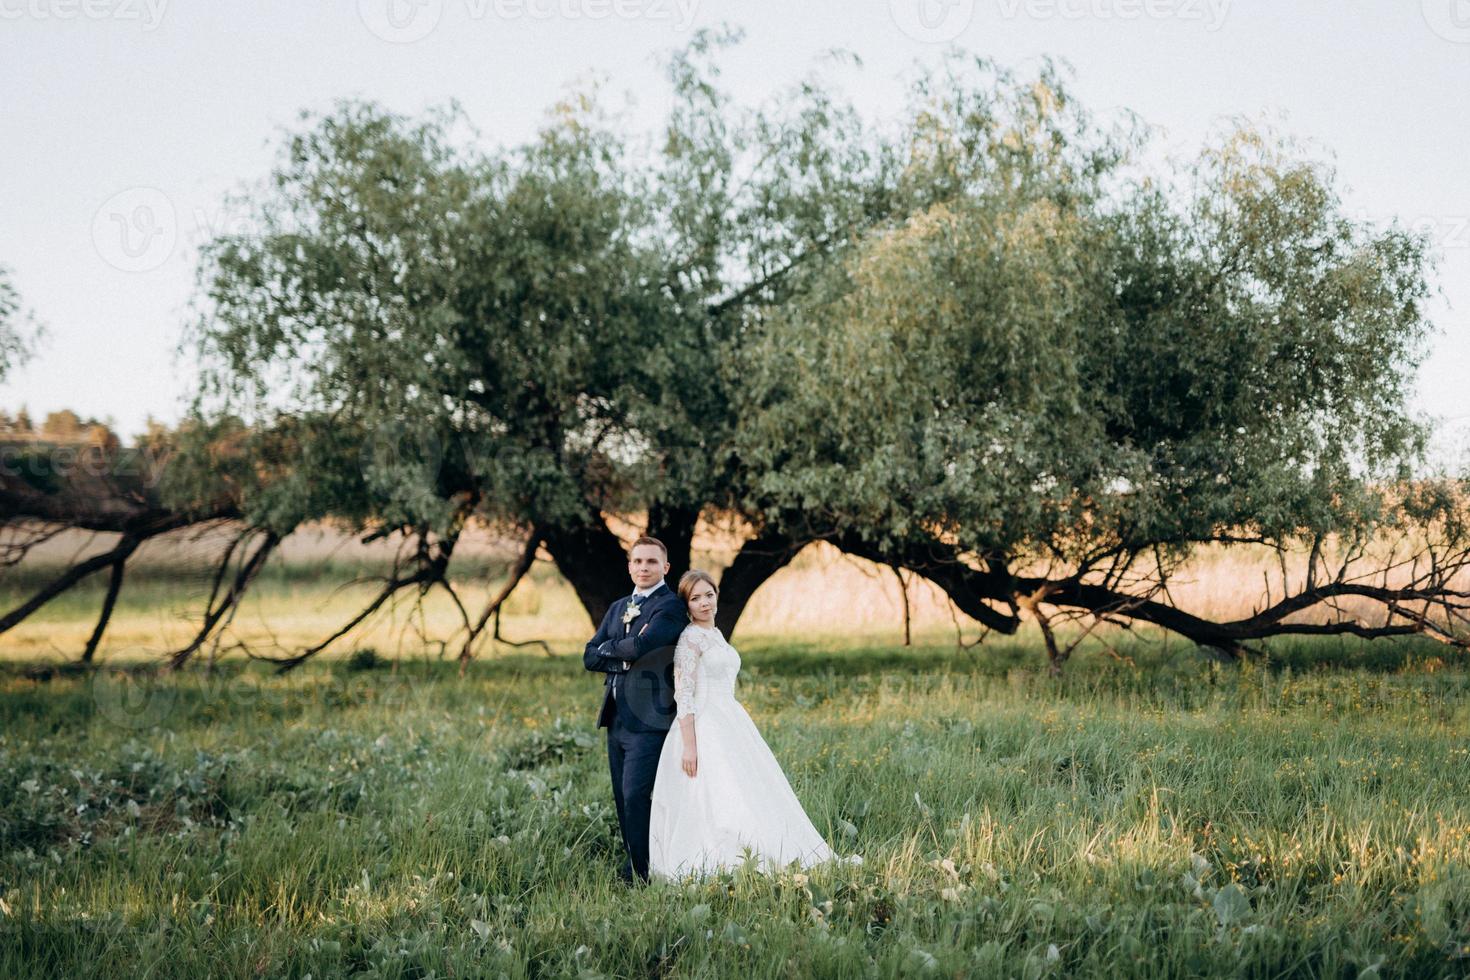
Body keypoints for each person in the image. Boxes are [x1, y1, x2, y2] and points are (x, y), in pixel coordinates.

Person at [648, 569, 859, 880]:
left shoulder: (715, 634)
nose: (705, 603)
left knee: (751, 788)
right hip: (704, 726)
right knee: (719, 792)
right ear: (687, 605)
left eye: (709, 595)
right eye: (696, 598)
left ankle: (767, 848)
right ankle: (724, 858)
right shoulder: (690, 639)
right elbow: (685, 694)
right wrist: (690, 746)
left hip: (730, 719)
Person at [583, 536, 687, 886]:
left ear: (665, 568)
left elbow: (645, 645)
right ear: (629, 565)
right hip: (616, 716)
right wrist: (621, 654)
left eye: (652, 562)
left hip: (650, 717)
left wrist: (613, 650)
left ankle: (640, 873)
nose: (644, 568)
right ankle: (635, 861)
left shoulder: (669, 606)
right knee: (620, 795)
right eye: (638, 561)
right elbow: (589, 655)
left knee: (636, 794)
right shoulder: (617, 607)